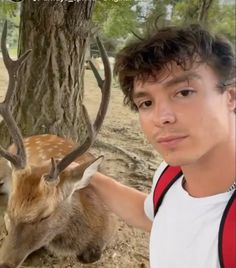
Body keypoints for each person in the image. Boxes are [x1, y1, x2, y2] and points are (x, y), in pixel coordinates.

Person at [90, 24, 236, 267]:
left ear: (230, 97)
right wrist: (88, 174)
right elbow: (153, 215)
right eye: (146, 103)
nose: (161, 117)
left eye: (184, 92)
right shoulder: (171, 176)